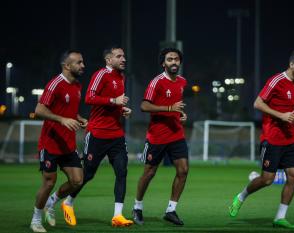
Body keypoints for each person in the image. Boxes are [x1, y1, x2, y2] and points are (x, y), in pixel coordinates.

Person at [228, 49, 294, 229]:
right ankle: (241, 196)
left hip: (289, 139)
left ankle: (280, 217)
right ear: (292, 64)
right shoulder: (276, 81)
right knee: (267, 179)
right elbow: (257, 103)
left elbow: (287, 109)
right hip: (272, 138)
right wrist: (281, 116)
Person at [59, 45, 133, 227]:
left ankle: (117, 216)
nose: (123, 59)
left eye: (124, 56)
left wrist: (122, 109)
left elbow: (112, 104)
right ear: (109, 60)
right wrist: (113, 101)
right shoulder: (101, 74)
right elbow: (90, 98)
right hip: (97, 133)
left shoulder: (121, 77)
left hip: (116, 134)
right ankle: (66, 202)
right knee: (88, 174)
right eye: (119, 56)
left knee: (122, 172)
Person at [30, 50, 87, 233]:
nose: (82, 65)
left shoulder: (77, 86)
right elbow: (39, 110)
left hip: (68, 144)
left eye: (82, 62)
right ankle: (36, 220)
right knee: (48, 182)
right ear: (67, 65)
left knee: (77, 181)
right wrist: (62, 120)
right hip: (50, 143)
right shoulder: (55, 84)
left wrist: (79, 118)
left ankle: (51, 202)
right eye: (79, 62)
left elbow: (69, 111)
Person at [132, 48, 189, 226]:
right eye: (170, 59)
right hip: (157, 136)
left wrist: (180, 114)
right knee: (149, 173)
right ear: (163, 63)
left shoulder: (182, 81)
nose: (173, 62)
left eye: (176, 59)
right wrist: (170, 108)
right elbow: (143, 106)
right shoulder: (156, 82)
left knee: (183, 170)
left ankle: (171, 210)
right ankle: (137, 207)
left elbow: (175, 106)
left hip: (176, 134)